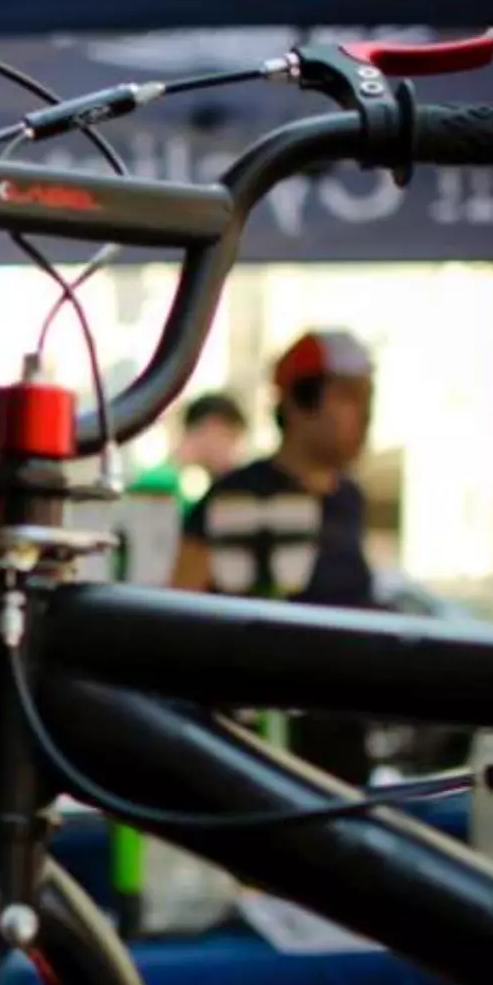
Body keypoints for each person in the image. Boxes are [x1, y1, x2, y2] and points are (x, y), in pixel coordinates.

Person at [172, 330, 378, 785]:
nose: (364, 415)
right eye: (347, 397)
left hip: (342, 748)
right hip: (254, 754)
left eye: (368, 397)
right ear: (299, 403)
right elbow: (180, 614)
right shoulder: (234, 498)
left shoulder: (351, 500)